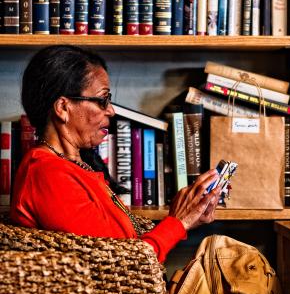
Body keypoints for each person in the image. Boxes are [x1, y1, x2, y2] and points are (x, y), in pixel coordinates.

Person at [10, 45, 221, 263]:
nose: (111, 110)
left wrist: (189, 215)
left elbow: (120, 245)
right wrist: (179, 222)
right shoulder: (49, 174)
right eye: (103, 99)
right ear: (63, 107)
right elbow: (121, 263)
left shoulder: (72, 165)